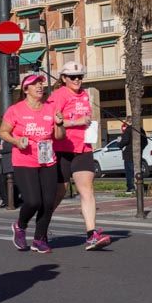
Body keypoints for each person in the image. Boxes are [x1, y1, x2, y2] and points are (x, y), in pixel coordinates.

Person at [0, 74, 66, 255]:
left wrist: (59, 124)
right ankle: (20, 226)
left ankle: (39, 238)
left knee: (48, 202)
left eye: (41, 83)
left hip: (47, 159)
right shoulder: (16, 110)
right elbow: (3, 132)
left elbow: (59, 136)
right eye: (34, 84)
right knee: (33, 201)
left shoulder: (50, 108)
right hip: (24, 160)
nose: (39, 86)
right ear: (25, 89)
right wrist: (16, 141)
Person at [48, 62, 110, 249]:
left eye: (80, 76)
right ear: (64, 78)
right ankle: (41, 225)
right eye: (73, 77)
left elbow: (86, 118)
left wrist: (89, 126)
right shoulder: (57, 96)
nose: (77, 80)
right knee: (59, 192)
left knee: (87, 190)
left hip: (83, 147)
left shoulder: (85, 94)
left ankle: (91, 234)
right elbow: (51, 122)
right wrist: (77, 121)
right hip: (62, 148)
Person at [119, 121, 148, 194]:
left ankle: (131, 188)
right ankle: (139, 186)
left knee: (130, 172)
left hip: (128, 154)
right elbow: (145, 142)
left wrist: (119, 144)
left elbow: (124, 141)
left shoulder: (128, 130)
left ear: (129, 122)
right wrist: (140, 149)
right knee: (138, 171)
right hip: (138, 154)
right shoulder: (141, 130)